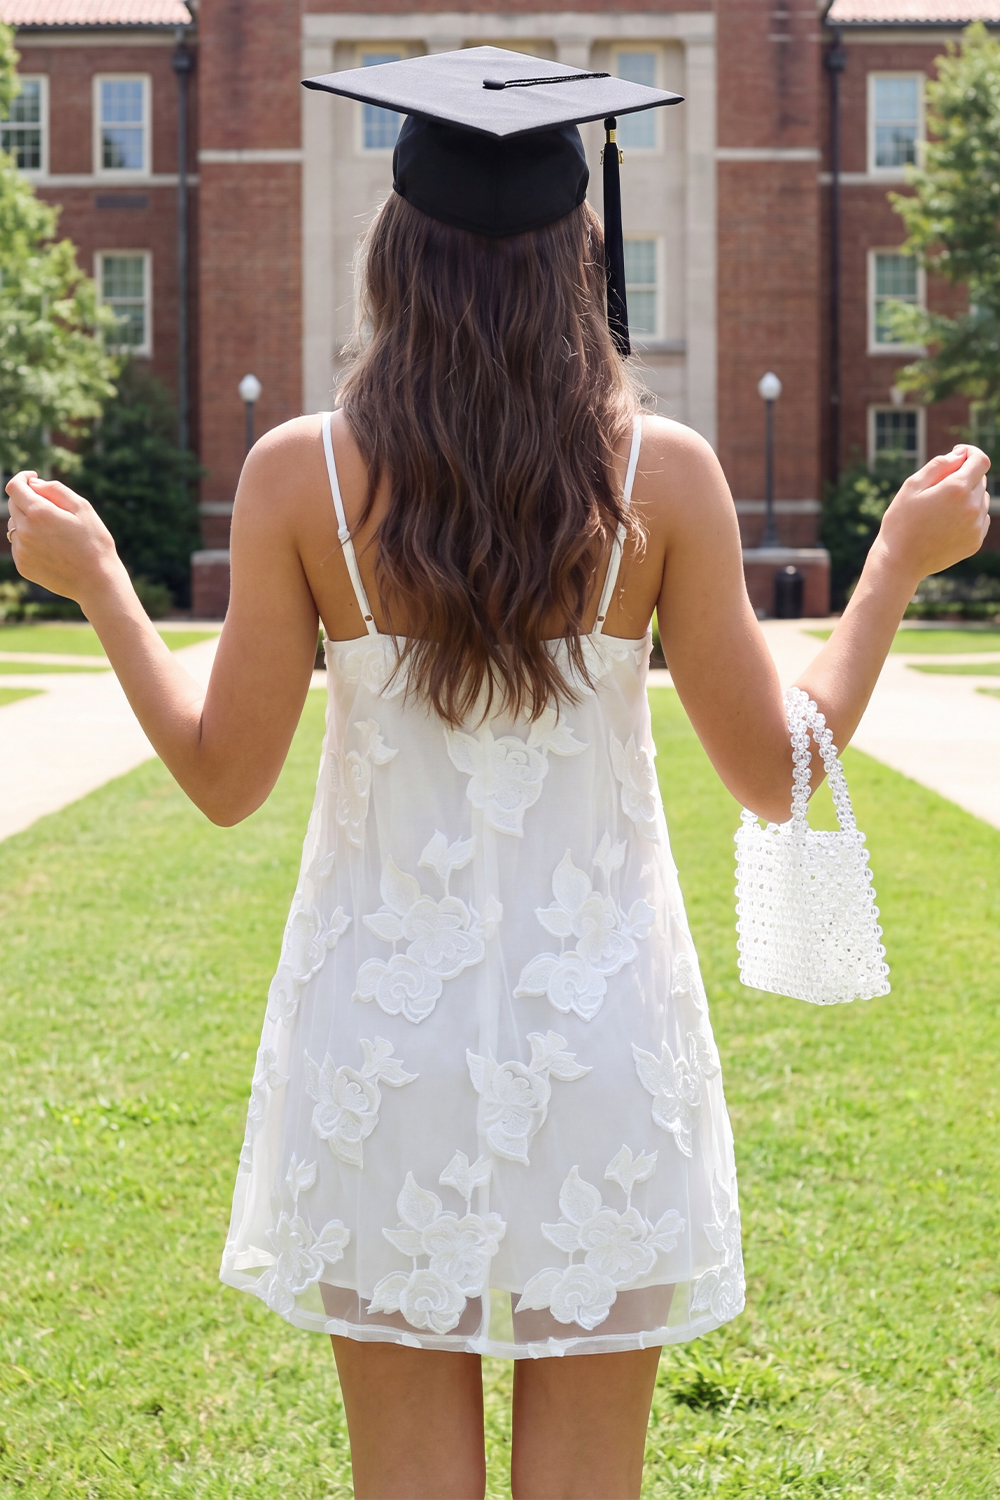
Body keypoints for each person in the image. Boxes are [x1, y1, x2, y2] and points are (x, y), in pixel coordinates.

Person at [5, 47, 989, 1500]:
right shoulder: (661, 478)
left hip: (378, 1052)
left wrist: (98, 581)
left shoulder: (297, 477)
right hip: (602, 1041)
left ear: (393, 254)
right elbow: (783, 772)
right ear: (576, 259)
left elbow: (224, 778)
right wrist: (896, 564)